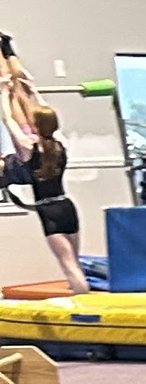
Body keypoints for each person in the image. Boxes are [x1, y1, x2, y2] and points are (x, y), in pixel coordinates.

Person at [0, 103, 89, 290]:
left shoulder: (29, 148)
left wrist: (5, 94)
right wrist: (33, 90)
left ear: (36, 126)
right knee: (75, 261)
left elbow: (9, 121)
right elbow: (50, 118)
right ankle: (82, 295)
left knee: (68, 264)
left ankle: (84, 308)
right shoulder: (60, 145)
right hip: (66, 205)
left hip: (48, 210)